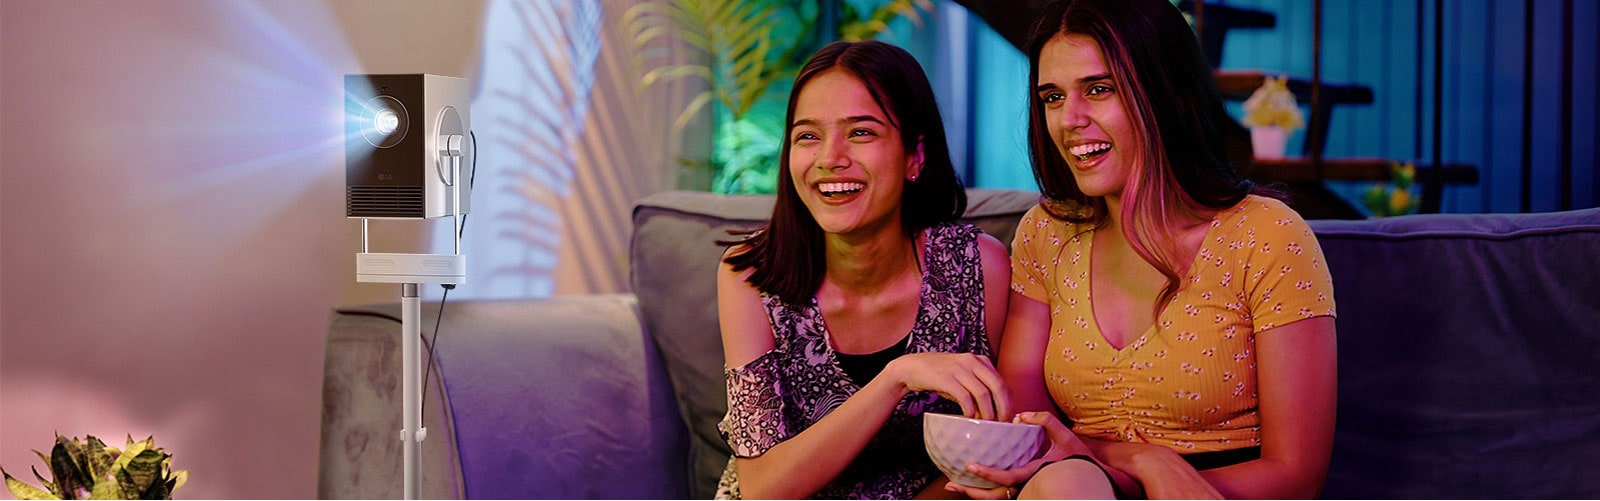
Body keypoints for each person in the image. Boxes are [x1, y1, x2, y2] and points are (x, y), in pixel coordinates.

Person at [945, 0, 1339, 498]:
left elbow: (1296, 476)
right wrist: (1138, 460)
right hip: (1077, 487)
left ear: (1169, 94)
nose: (1070, 119)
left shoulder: (1267, 236)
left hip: (1215, 492)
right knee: (1066, 480)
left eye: (1099, 89)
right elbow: (1029, 434)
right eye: (1051, 96)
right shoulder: (1046, 234)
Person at [714, 40, 1014, 499]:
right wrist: (896, 378)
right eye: (808, 136)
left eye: (861, 133)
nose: (830, 158)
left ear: (915, 155)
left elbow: (989, 458)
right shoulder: (750, 275)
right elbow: (761, 487)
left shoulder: (978, 268)